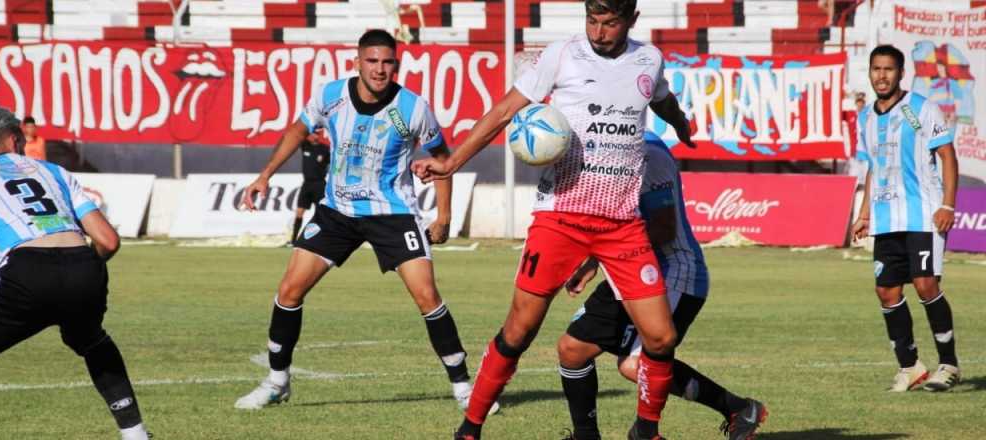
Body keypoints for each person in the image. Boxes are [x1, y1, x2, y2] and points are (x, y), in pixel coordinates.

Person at [412, 0, 696, 437]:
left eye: (610, 23)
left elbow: (663, 99)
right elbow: (504, 111)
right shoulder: (561, 55)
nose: (599, 32)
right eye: (592, 21)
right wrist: (450, 163)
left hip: (621, 226)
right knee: (519, 331)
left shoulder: (649, 59)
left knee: (661, 338)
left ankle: (646, 430)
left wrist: (680, 124)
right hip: (560, 218)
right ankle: (469, 428)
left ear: (631, 21)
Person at [234, 29, 498, 415]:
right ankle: (277, 382)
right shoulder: (331, 95)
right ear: (356, 62)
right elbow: (298, 129)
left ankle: (463, 388)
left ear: (397, 65)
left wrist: (444, 217)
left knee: (427, 296)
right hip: (337, 211)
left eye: (387, 62)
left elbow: (443, 159)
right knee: (289, 291)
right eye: (372, 61)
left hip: (393, 213)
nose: (379, 69)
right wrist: (265, 175)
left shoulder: (412, 108)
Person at [557, 132, 765, 440]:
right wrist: (593, 262)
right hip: (626, 267)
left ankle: (735, 409)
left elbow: (664, 228)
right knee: (572, 349)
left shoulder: (648, 153)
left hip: (673, 271)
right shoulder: (595, 148)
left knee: (634, 365)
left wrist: (603, 254)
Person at [0, 107, 149, 440]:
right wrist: (77, 273)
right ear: (13, 139)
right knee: (91, 340)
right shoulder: (54, 171)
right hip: (82, 265)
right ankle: (136, 434)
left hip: (21, 273)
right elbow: (108, 240)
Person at [853, 44, 961, 392]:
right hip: (886, 218)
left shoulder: (921, 108)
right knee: (885, 290)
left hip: (922, 214)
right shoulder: (865, 117)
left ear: (901, 73)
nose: (881, 76)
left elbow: (947, 155)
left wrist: (947, 205)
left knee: (926, 284)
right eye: (876, 69)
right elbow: (873, 166)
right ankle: (910, 367)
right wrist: (864, 213)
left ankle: (949, 364)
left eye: (888, 69)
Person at [291, 128, 331, 243]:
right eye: (313, 133)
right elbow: (298, 135)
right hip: (307, 184)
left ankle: (322, 240)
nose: (315, 136)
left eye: (317, 134)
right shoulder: (305, 146)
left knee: (321, 214)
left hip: (319, 184)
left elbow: (332, 163)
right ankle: (293, 240)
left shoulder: (324, 149)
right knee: (299, 211)